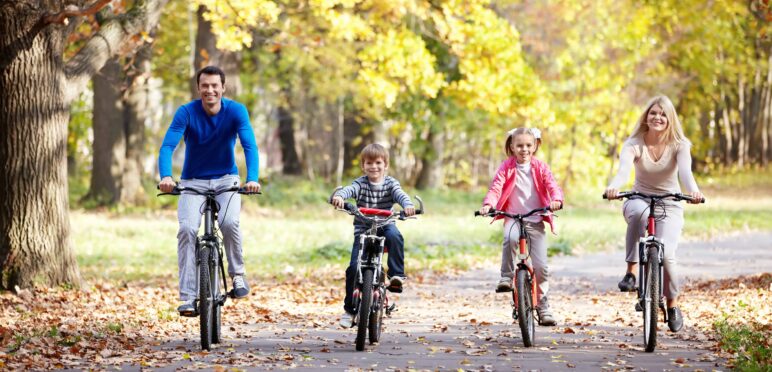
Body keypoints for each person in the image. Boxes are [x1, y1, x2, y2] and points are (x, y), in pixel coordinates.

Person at [158, 66, 261, 316]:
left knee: (229, 223)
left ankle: (237, 276)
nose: (210, 90)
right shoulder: (186, 112)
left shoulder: (236, 111)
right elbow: (167, 146)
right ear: (198, 88)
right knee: (186, 230)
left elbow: (250, 146)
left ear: (223, 88)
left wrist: (252, 179)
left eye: (215, 85)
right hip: (192, 182)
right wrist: (166, 177)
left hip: (227, 180)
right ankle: (187, 296)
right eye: (205, 85)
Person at [604, 95, 704, 332]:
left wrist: (694, 192)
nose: (657, 118)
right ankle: (631, 272)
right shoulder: (633, 143)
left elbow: (686, 174)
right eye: (653, 113)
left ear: (670, 119)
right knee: (638, 214)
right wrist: (614, 187)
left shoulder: (680, 144)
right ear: (646, 116)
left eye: (663, 114)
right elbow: (623, 171)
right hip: (639, 198)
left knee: (667, 252)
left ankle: (672, 305)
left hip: (670, 203)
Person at [479, 127, 564, 326]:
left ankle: (543, 306)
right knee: (510, 238)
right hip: (513, 218)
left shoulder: (541, 167)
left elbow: (552, 186)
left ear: (535, 146)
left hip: (535, 220)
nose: (524, 149)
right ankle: (507, 277)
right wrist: (488, 205)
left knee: (541, 266)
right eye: (519, 145)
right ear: (511, 146)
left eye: (528, 145)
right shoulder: (507, 167)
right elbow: (496, 188)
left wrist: (556, 199)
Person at [331, 143, 415, 328]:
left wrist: (407, 206)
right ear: (363, 165)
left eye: (378, 162)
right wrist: (341, 198)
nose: (374, 166)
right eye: (369, 163)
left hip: (385, 225)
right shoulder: (360, 183)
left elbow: (400, 195)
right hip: (363, 229)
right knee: (354, 268)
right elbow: (349, 190)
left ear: (386, 165)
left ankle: (397, 275)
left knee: (395, 236)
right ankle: (349, 310)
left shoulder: (391, 183)